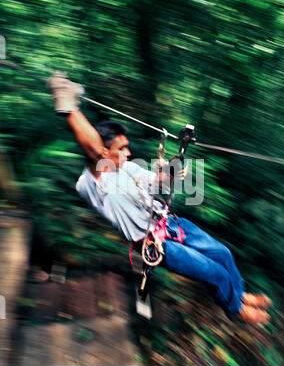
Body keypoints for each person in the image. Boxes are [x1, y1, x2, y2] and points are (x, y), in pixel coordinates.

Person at [48, 72, 272, 324]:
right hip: (157, 244)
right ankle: (236, 309)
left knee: (223, 254)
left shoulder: (129, 169)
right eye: (121, 148)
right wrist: (69, 107)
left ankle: (240, 294)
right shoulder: (93, 183)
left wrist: (173, 171)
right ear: (103, 151)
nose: (129, 152)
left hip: (171, 224)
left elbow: (159, 181)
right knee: (214, 272)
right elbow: (93, 148)